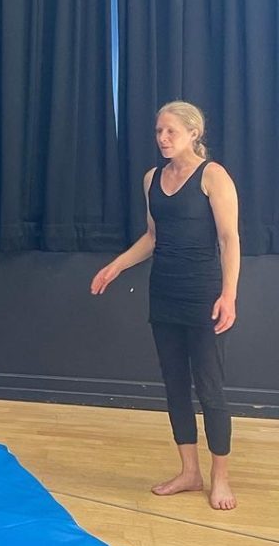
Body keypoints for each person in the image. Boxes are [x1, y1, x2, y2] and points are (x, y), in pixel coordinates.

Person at [91, 101, 239, 511]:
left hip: (204, 296)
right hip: (165, 294)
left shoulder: (213, 176)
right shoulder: (152, 179)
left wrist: (229, 294)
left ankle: (220, 477)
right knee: (174, 385)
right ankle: (189, 472)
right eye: (159, 131)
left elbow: (229, 239)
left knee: (209, 388)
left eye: (171, 131)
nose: (163, 138)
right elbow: (153, 237)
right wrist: (117, 265)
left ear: (194, 133)